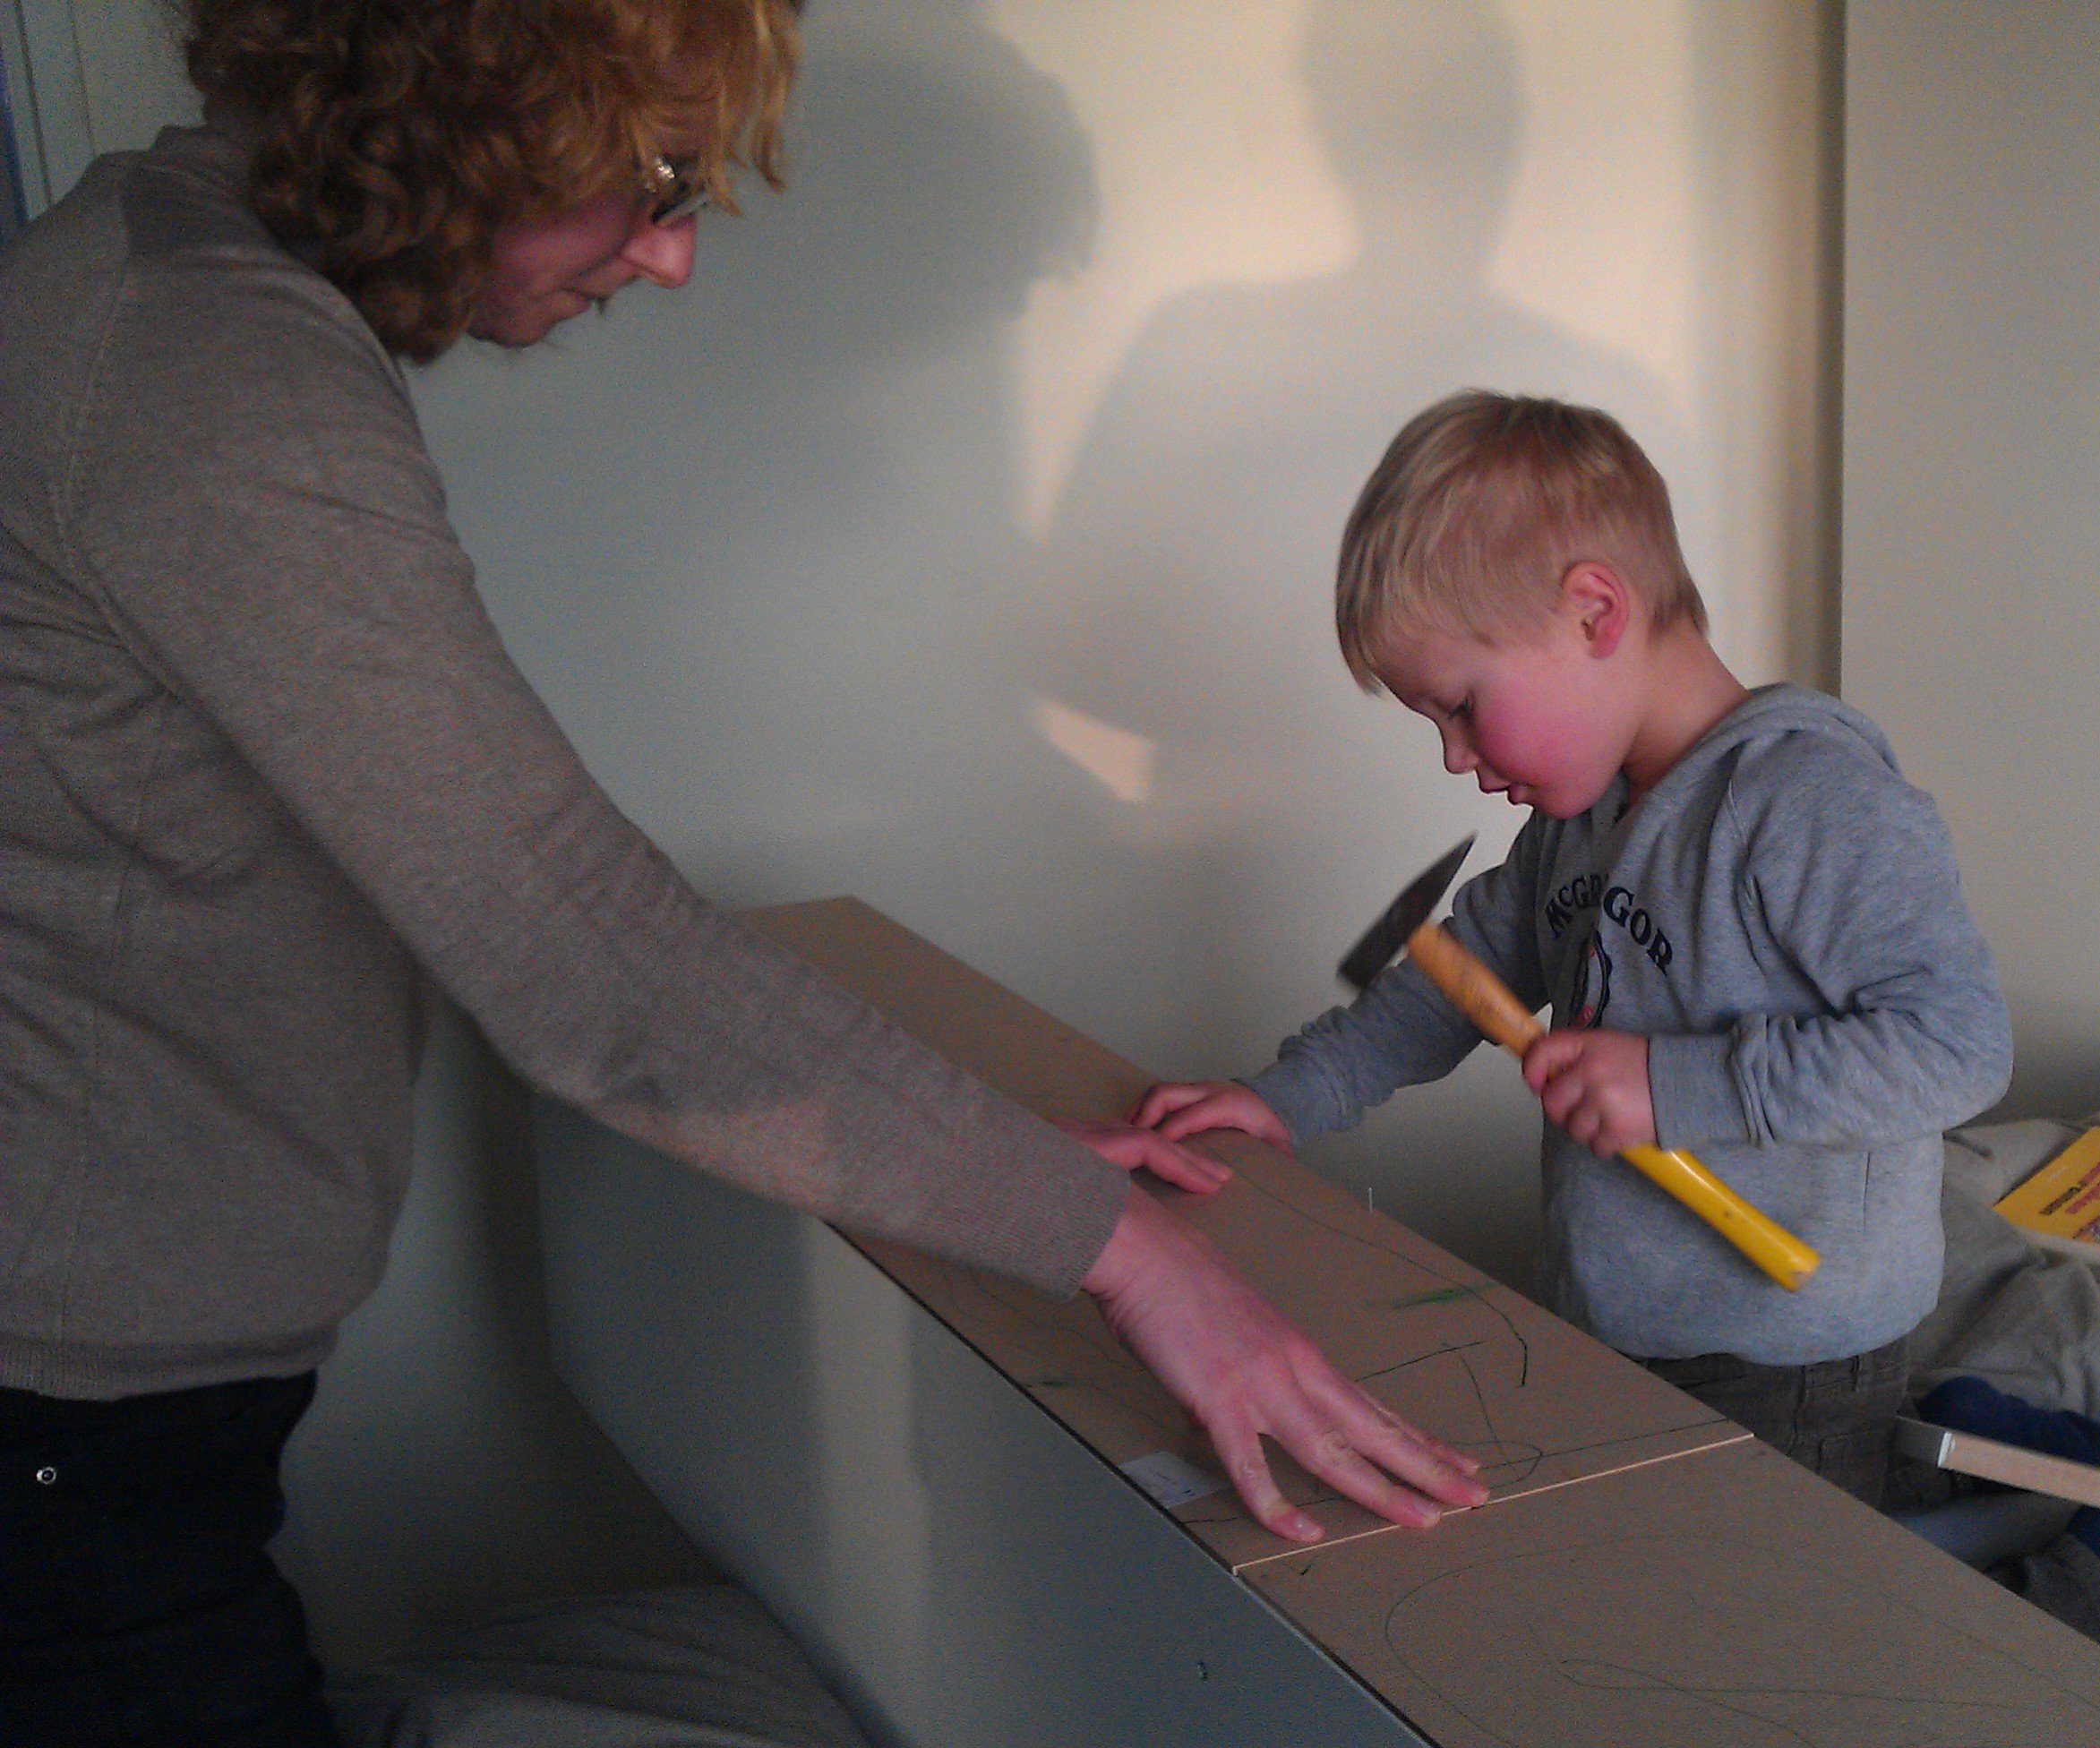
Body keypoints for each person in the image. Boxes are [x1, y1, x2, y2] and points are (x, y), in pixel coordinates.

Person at [0, 3, 1479, 1741]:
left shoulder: (159, 286)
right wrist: (1135, 1261)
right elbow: (581, 954)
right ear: (461, 118)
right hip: (68, 1434)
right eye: (649, 181)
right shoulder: (203, 381)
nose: (675, 256)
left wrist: (972, 1152)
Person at [1139, 390, 2014, 1505]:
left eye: (1461, 704)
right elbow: (1449, 985)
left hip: (1794, 1358)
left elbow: (1958, 1047)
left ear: (1595, 611)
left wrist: (1676, 1081)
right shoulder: (1580, 822)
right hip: (1615, 1319)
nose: (1455, 757)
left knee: (1755, 1630)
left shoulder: (1807, 799)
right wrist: (1284, 1099)